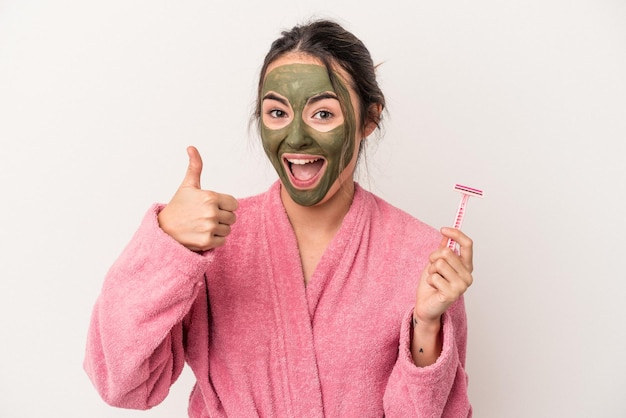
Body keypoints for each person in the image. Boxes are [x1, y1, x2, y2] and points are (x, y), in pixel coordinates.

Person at [84, 19, 474, 417]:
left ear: (369, 119)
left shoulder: (423, 258)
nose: (296, 138)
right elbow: (124, 385)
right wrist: (166, 244)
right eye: (277, 112)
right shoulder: (211, 243)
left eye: (323, 114)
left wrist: (426, 326)